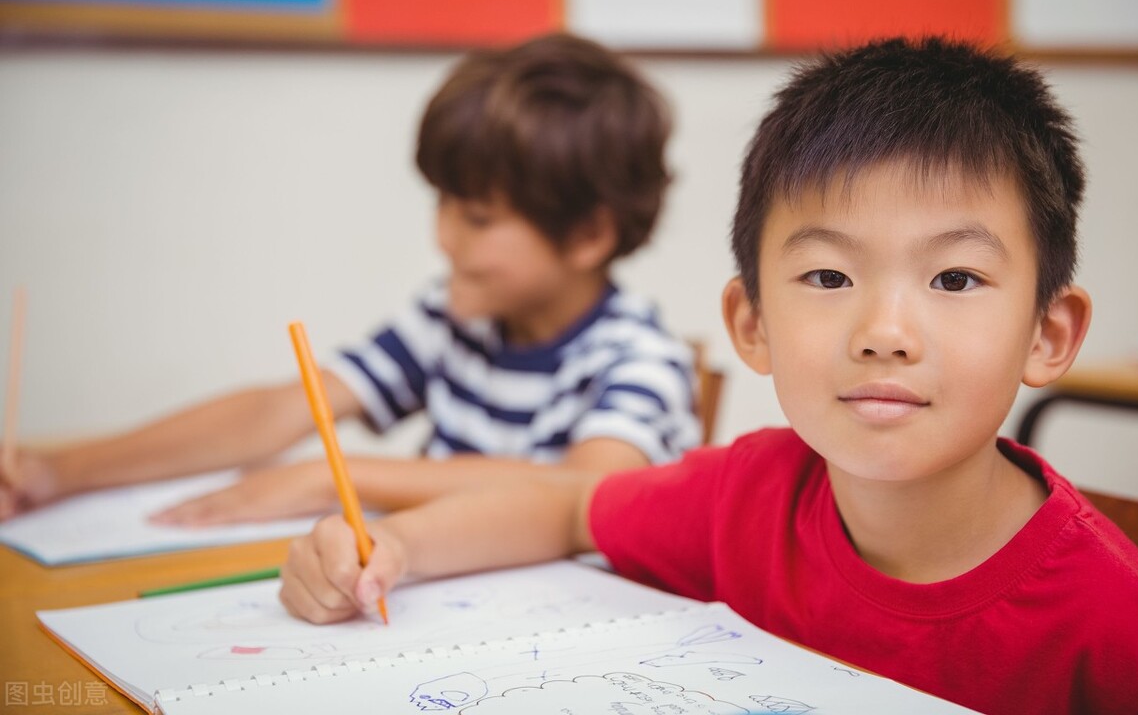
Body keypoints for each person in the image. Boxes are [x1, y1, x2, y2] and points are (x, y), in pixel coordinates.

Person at [279, 37, 1138, 714]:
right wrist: (393, 548)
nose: (885, 332)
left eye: (955, 278)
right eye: (829, 277)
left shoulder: (1132, 645)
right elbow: (565, 506)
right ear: (749, 323)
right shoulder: (746, 496)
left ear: (1049, 332)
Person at [0, 33, 700, 525]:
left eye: (479, 218)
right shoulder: (451, 321)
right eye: (443, 206)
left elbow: (584, 487)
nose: (444, 238)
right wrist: (61, 472)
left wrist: (339, 476)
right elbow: (279, 411)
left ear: (588, 234)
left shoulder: (641, 358)